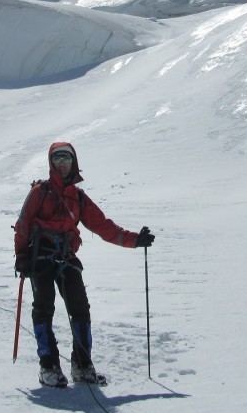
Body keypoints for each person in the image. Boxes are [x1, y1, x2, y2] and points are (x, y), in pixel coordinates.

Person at [14, 141, 155, 388]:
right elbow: (23, 224)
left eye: (66, 159)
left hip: (66, 256)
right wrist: (21, 256)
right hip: (40, 257)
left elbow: (103, 226)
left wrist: (135, 241)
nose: (62, 163)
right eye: (57, 159)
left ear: (73, 162)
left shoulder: (78, 197)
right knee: (44, 308)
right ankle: (48, 367)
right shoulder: (40, 192)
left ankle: (82, 365)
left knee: (80, 309)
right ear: (51, 162)